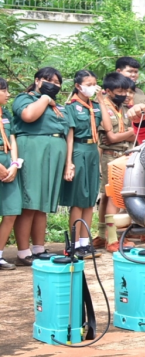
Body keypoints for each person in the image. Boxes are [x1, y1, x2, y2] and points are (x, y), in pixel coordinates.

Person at [12, 68, 70, 266]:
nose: (52, 84)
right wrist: (45, 99)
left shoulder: (59, 106)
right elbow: (28, 116)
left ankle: (38, 248)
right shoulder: (24, 98)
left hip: (54, 154)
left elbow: (67, 130)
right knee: (30, 202)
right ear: (37, 81)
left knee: (42, 204)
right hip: (33, 150)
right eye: (47, 80)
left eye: (56, 82)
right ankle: (22, 251)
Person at [97, 73, 145, 253]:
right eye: (120, 91)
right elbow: (111, 137)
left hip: (123, 153)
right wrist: (132, 132)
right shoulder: (104, 107)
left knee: (109, 195)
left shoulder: (124, 107)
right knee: (113, 195)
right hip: (111, 155)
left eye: (126, 91)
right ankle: (111, 239)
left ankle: (104, 235)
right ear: (108, 91)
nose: (124, 94)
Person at [61, 70, 103, 258]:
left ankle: (85, 244)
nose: (92, 87)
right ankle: (74, 243)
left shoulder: (95, 105)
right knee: (78, 198)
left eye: (94, 83)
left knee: (90, 198)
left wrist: (101, 100)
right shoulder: (70, 106)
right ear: (78, 86)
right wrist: (69, 162)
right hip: (78, 149)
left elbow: (107, 127)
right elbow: (69, 136)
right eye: (88, 83)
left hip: (93, 150)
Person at [0, 78, 22, 270]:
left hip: (8, 160)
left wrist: (14, 164)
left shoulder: (6, 113)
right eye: (5, 90)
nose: (8, 94)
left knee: (11, 210)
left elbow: (13, 139)